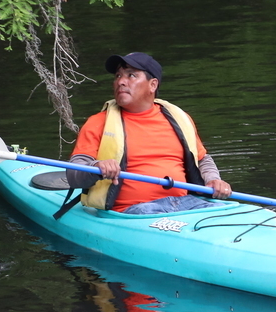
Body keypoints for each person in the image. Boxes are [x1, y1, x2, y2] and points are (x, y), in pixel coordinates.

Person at [65, 52, 233, 214]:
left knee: (225, 212)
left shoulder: (179, 118)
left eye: (131, 75)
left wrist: (213, 180)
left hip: (186, 205)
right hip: (137, 210)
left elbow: (202, 159)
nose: (121, 82)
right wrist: (97, 167)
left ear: (153, 85)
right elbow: (74, 175)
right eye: (117, 76)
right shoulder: (98, 122)